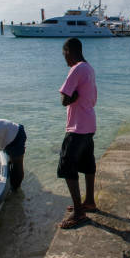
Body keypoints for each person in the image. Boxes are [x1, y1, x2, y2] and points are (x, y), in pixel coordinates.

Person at [57, 37, 98, 229]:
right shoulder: (89, 68)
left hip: (77, 126)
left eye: (64, 54)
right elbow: (92, 98)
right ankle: (88, 200)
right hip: (89, 123)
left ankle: (79, 212)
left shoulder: (76, 69)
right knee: (88, 162)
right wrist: (74, 96)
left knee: (67, 165)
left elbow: (64, 99)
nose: (64, 58)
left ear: (69, 52)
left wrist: (71, 97)